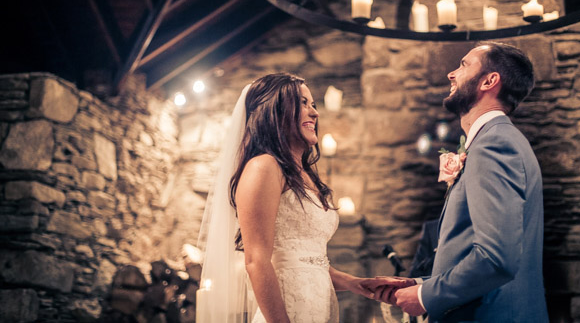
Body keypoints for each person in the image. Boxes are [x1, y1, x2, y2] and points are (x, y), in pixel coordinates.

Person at [372, 42, 549, 322]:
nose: (451, 74)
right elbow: (470, 248)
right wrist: (423, 284)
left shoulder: (495, 143)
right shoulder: (493, 141)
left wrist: (425, 298)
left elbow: (496, 259)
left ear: (490, 81)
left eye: (464, 65)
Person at [198, 73, 390, 323]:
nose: (314, 113)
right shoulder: (263, 167)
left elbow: (305, 262)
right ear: (273, 111)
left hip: (318, 308)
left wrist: (356, 283)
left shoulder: (304, 176)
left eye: (313, 104)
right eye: (302, 103)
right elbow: (256, 260)